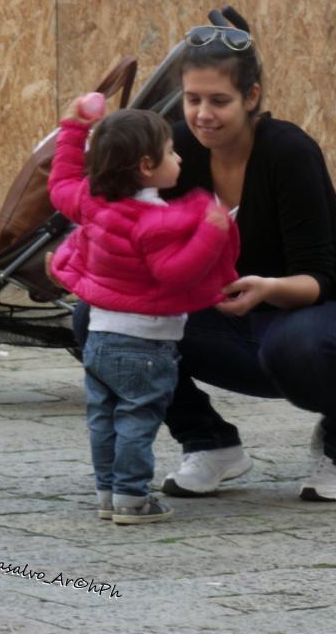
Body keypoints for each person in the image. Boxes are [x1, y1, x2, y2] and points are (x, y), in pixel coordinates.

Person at [75, 18, 336, 502]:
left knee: (298, 344)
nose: (203, 114)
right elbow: (124, 219)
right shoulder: (178, 151)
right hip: (231, 319)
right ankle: (209, 442)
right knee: (99, 319)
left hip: (325, 320)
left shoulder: (288, 152)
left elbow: (317, 277)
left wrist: (267, 289)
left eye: (219, 101)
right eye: (192, 99)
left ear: (251, 97)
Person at [46, 102, 239, 524]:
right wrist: (211, 230)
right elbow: (175, 274)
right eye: (172, 152)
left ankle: (107, 491)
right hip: (145, 342)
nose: (180, 158)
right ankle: (132, 497)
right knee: (137, 419)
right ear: (148, 166)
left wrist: (74, 128)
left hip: (98, 336)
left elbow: (60, 183)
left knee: (104, 418)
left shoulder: (91, 202)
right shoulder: (155, 221)